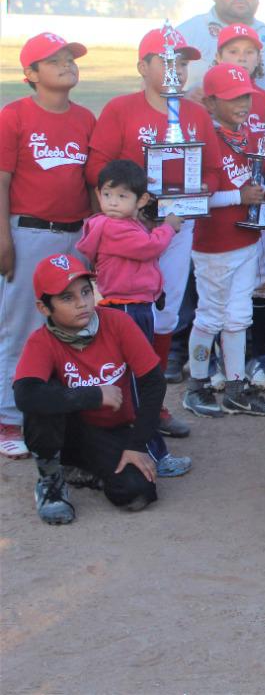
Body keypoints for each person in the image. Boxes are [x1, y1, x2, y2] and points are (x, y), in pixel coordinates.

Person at [87, 26, 212, 439]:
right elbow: (96, 169)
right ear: (142, 66)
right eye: (166, 60)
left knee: (166, 312)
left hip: (175, 228)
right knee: (120, 313)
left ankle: (152, 407)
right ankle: (116, 402)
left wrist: (194, 194)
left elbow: (209, 169)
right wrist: (130, 205)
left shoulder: (195, 114)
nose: (176, 69)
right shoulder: (121, 109)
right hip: (128, 230)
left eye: (183, 62)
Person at [1, 33, 94, 460]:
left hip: (75, 233)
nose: (66, 65)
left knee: (72, 324)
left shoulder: (85, 119)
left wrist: (94, 236)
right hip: (29, 230)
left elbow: (90, 184)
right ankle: (7, 417)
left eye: (69, 59)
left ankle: (61, 408)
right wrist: (3, 236)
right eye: (53, 61)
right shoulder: (14, 115)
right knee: (21, 325)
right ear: (30, 74)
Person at [15, 255, 161, 523]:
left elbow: (153, 383)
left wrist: (137, 444)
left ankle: (82, 470)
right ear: (43, 307)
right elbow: (25, 395)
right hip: (64, 430)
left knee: (137, 493)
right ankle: (50, 479)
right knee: (40, 395)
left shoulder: (117, 322)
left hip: (109, 429)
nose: (82, 303)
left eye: (85, 291)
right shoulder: (41, 341)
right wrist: (93, 395)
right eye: (67, 298)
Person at [77, 160, 191, 476]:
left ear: (141, 200)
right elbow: (149, 248)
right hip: (127, 310)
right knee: (143, 383)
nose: (113, 202)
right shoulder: (112, 226)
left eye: (122, 196)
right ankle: (154, 453)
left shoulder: (120, 223)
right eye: (108, 194)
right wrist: (169, 226)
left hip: (131, 307)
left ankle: (135, 446)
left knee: (132, 382)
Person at [180, 63, 265, 419]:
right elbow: (196, 199)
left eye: (246, 96)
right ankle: (197, 386)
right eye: (231, 98)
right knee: (209, 316)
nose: (242, 103)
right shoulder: (205, 139)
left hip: (246, 241)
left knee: (238, 317)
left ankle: (236, 388)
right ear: (210, 102)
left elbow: (252, 187)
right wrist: (242, 197)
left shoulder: (249, 138)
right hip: (213, 245)